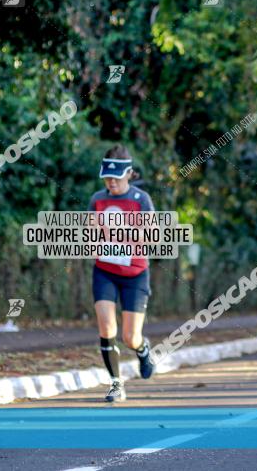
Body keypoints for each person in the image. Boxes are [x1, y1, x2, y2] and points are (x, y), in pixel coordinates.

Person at [88, 145, 156, 403]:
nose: (111, 182)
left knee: (130, 337)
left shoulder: (141, 200)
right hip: (104, 271)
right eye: (107, 177)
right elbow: (90, 234)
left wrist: (120, 231)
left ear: (129, 174)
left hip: (135, 274)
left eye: (116, 177)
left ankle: (143, 349)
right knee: (106, 326)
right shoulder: (97, 200)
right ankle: (116, 383)